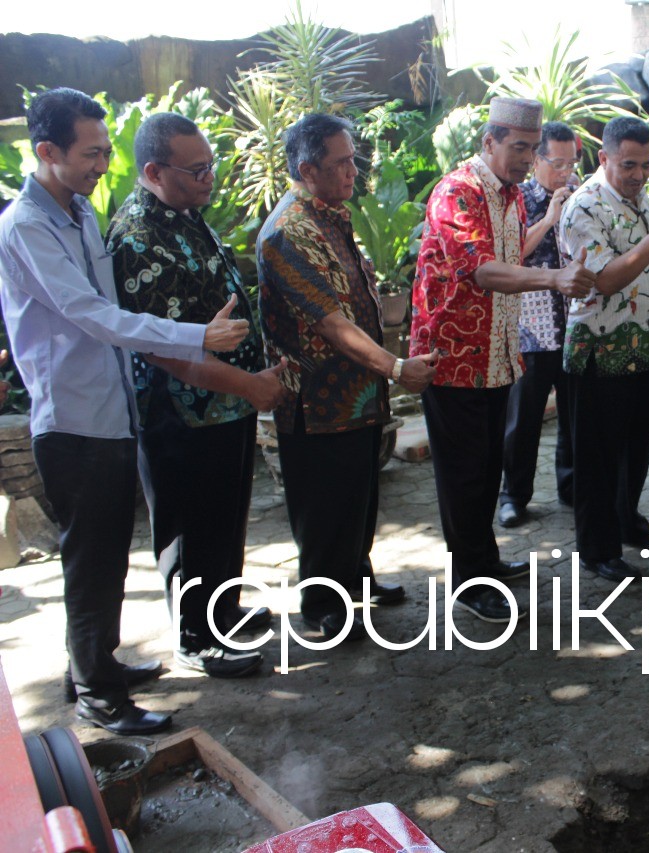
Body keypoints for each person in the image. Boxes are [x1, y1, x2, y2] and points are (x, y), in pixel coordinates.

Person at [0, 88, 250, 734]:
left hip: (113, 413)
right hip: (74, 422)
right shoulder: (25, 226)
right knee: (92, 557)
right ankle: (98, 695)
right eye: (90, 153)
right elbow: (93, 315)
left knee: (110, 551)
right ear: (46, 150)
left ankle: (92, 663)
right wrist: (196, 336)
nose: (101, 164)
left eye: (106, 151)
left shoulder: (79, 212)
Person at [108, 112, 287, 678]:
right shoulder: (138, 236)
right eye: (197, 169)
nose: (210, 178)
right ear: (154, 170)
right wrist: (252, 385)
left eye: (211, 165)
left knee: (224, 519)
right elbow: (166, 351)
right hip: (182, 414)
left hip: (224, 405)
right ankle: (197, 637)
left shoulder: (183, 213)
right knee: (190, 529)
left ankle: (223, 611)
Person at [258, 113, 438, 642]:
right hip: (316, 404)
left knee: (357, 504)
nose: (352, 171)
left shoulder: (329, 215)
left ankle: (355, 579)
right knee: (324, 511)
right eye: (341, 163)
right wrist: (398, 368)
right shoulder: (288, 231)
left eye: (353, 159)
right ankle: (322, 606)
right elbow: (333, 325)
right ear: (308, 169)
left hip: (356, 398)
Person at [412, 97, 594, 622]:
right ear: (488, 141)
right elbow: (484, 270)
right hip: (452, 361)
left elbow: (511, 255)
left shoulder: (512, 196)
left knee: (487, 468)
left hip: (496, 355)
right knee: (464, 474)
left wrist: (549, 225)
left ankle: (483, 563)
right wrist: (555, 277)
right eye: (518, 148)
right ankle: (469, 583)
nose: (525, 158)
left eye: (531, 149)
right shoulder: (457, 193)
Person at [559, 116, 649, 581]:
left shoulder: (636, 199)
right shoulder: (582, 208)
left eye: (646, 165)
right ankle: (597, 549)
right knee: (597, 457)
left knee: (634, 450)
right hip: (599, 352)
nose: (639, 174)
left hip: (644, 347)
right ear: (604, 158)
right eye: (629, 165)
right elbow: (605, 279)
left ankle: (626, 521)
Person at [496, 121, 581, 529]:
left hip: (576, 327)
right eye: (557, 162)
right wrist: (550, 217)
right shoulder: (518, 199)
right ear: (537, 160)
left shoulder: (584, 199)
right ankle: (513, 495)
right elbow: (512, 256)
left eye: (571, 162)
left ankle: (572, 487)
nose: (565, 171)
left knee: (574, 416)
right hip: (531, 330)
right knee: (523, 419)